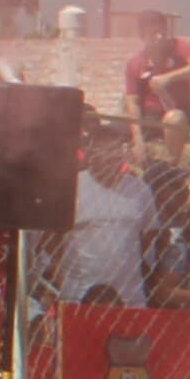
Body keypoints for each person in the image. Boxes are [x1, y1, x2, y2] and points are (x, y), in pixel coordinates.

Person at [56, 119, 154, 306]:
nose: (111, 158)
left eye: (115, 151)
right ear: (89, 155)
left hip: (130, 300)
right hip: (79, 298)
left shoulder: (140, 189)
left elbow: (151, 235)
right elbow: (52, 243)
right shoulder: (71, 188)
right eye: (104, 152)